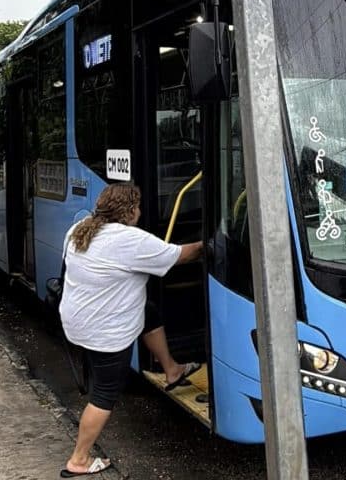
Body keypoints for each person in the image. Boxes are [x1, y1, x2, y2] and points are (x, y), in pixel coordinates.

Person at [59, 182, 203, 477]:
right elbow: (181, 256)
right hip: (105, 332)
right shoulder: (130, 240)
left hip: (76, 321)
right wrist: (210, 241)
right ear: (129, 211)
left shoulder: (81, 228)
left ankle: (172, 370)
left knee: (148, 311)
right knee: (105, 394)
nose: (140, 211)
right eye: (137, 206)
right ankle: (79, 459)